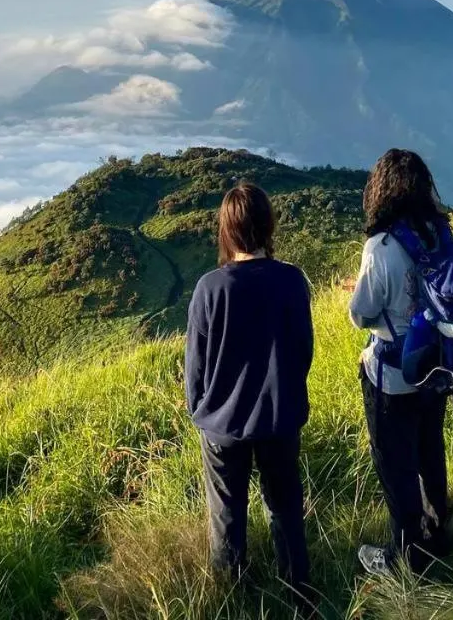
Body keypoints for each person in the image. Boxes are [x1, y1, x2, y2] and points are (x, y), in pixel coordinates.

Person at [185, 182, 314, 602]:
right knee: (285, 508)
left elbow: (196, 366)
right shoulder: (292, 281)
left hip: (222, 425)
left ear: (227, 230)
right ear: (267, 225)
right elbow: (302, 352)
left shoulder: (210, 289)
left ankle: (232, 599)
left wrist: (200, 410)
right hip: (279, 417)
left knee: (227, 514)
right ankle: (300, 593)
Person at [348, 149, 453, 576]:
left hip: (392, 377)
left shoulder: (381, 246)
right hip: (437, 370)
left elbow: (360, 313)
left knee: (396, 466)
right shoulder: (440, 233)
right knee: (430, 448)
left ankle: (405, 556)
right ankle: (439, 527)